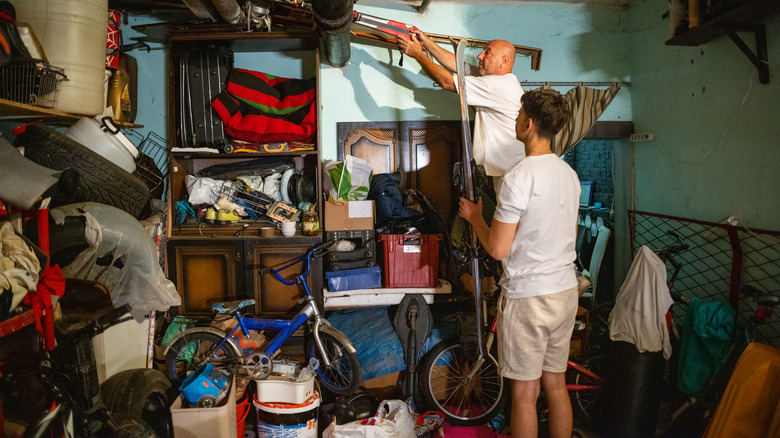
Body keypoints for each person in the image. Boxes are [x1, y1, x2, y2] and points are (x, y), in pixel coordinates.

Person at [458, 88, 580, 438]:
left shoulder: (518, 177)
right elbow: (567, 234)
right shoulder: (568, 175)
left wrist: (475, 217)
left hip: (529, 298)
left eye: (516, 116)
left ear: (527, 124)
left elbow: (497, 248)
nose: (513, 120)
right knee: (556, 384)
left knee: (525, 393)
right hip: (564, 292)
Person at [397, 30, 525, 192]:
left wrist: (418, 55)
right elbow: (460, 67)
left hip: (512, 173)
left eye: (487, 53)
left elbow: (447, 82)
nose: (479, 56)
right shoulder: (501, 81)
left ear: (503, 60)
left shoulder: (497, 85)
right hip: (508, 170)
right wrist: (427, 43)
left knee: (511, 217)